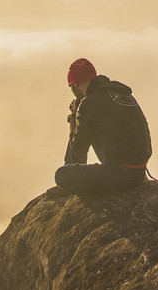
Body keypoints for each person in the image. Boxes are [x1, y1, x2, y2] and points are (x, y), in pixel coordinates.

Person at [54, 58, 152, 196]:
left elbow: (78, 148)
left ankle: (67, 177)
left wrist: (73, 117)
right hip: (139, 170)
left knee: (61, 175)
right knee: (89, 125)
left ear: (75, 85)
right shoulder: (119, 92)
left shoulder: (89, 103)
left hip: (121, 174)